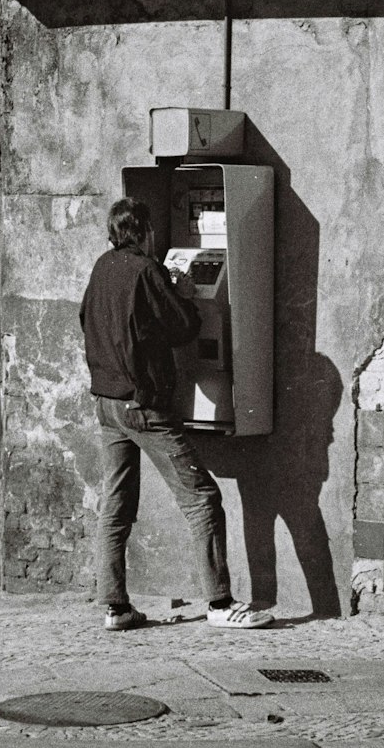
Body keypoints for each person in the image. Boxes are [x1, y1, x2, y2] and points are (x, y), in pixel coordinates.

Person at [80, 197, 272, 632]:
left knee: (115, 505)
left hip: (107, 403)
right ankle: (220, 603)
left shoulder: (102, 267)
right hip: (143, 405)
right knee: (202, 499)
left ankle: (116, 607)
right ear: (145, 231)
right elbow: (183, 327)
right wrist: (184, 295)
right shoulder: (146, 271)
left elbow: (88, 319)